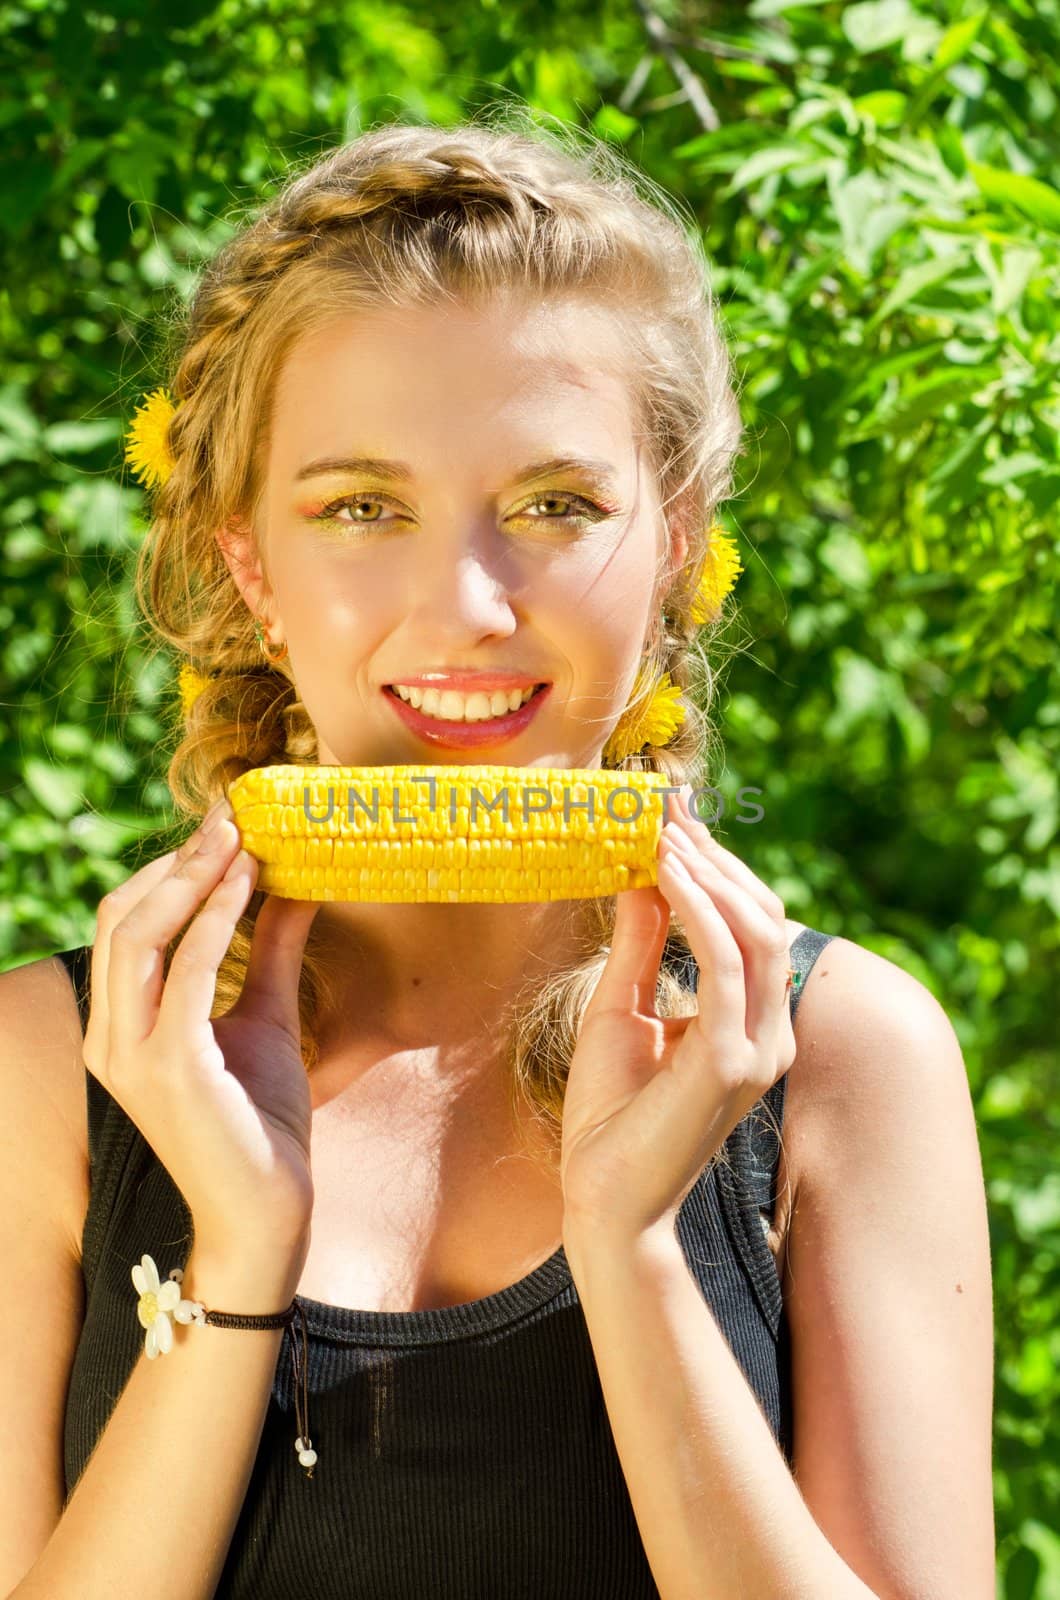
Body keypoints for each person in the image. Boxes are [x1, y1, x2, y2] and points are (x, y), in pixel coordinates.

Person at [0, 112, 995, 1600]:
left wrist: (635, 1249)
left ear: (675, 544)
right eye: (361, 507)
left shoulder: (842, 1058)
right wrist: (240, 1255)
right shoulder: (48, 1074)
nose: (467, 604)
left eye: (554, 505)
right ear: (249, 567)